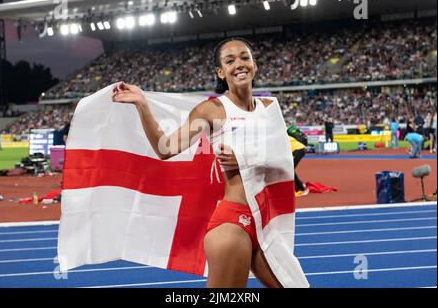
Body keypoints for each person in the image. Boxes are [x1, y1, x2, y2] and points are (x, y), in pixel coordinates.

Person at [112, 37, 301, 288]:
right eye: (230, 61)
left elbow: (281, 158)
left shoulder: (270, 108)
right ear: (221, 72)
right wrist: (142, 104)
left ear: (254, 65)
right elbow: (165, 148)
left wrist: (242, 157)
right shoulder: (211, 111)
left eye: (245, 57)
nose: (239, 64)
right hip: (234, 222)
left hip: (265, 222)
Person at [287, 125, 309, 197]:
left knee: (290, 170)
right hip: (299, 150)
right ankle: (299, 186)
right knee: (290, 169)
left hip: (298, 150)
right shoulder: (285, 137)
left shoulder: (282, 138)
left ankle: (302, 189)